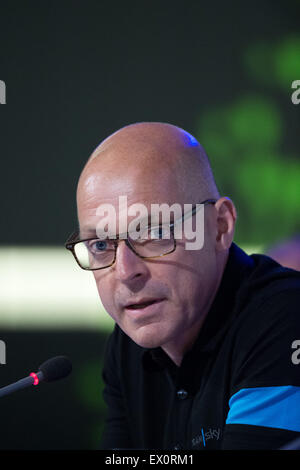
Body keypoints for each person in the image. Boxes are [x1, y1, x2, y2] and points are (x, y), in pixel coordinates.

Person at [66, 122, 300, 450]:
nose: (124, 271)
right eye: (101, 245)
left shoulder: (284, 320)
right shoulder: (127, 349)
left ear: (220, 227)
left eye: (153, 233)